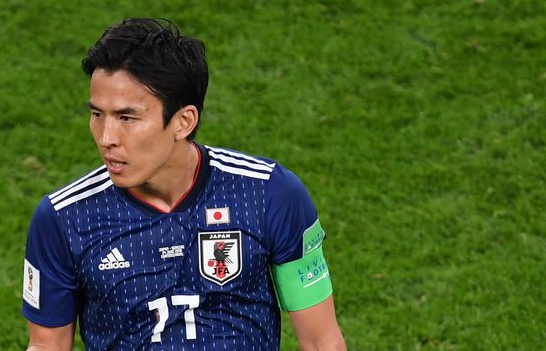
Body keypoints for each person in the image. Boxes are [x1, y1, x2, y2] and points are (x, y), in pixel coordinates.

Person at [22, 18, 346, 350]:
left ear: (183, 121)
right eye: (97, 115)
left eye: (126, 118)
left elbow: (322, 341)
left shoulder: (269, 194)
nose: (106, 138)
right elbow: (47, 346)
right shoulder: (63, 219)